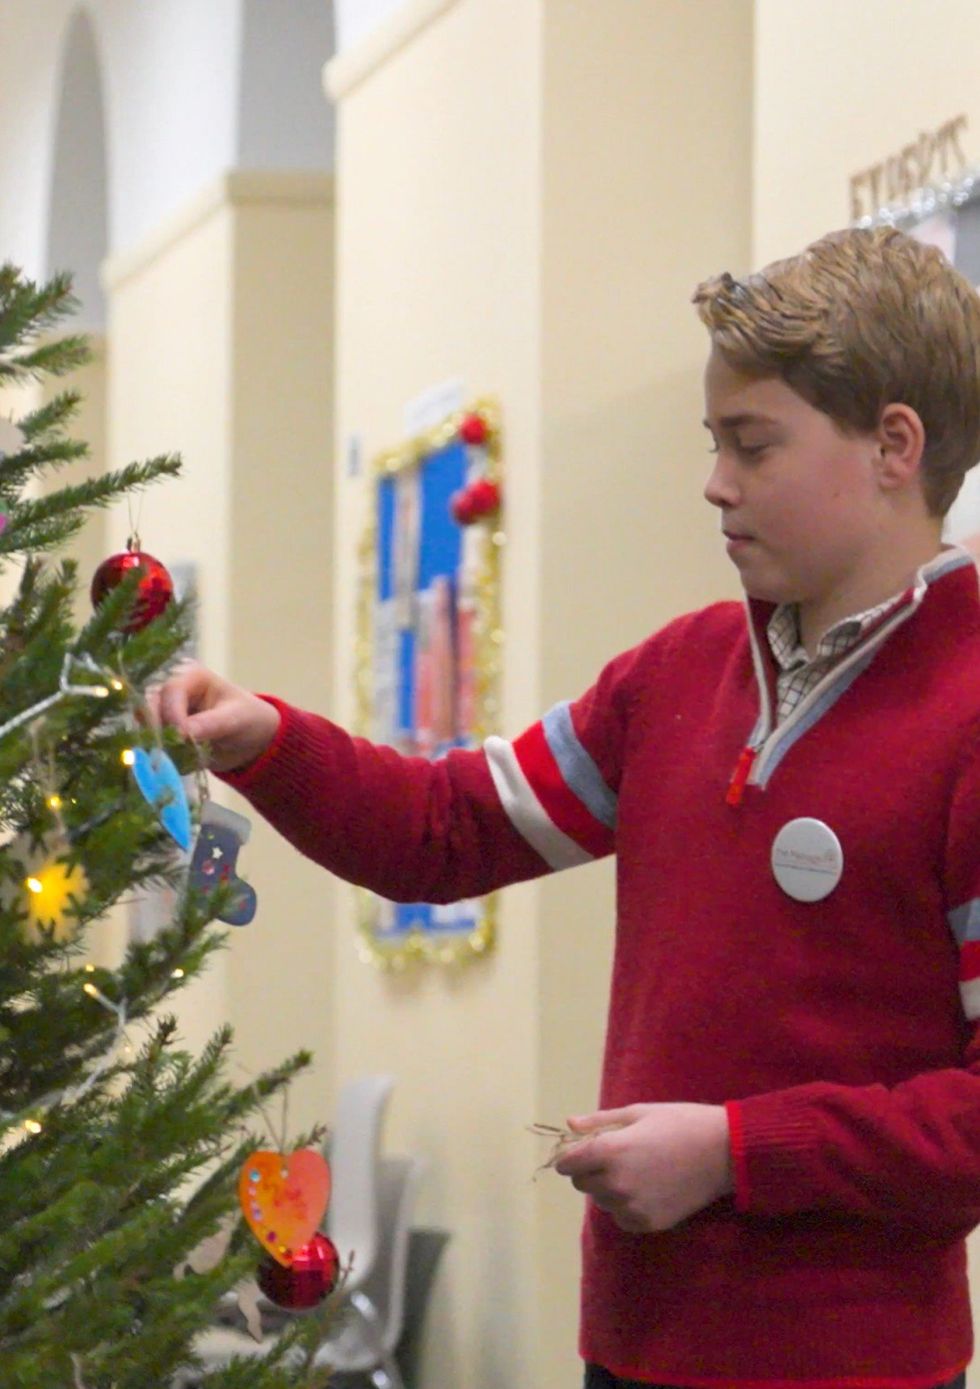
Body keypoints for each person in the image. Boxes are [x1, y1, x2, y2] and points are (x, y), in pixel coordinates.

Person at [154, 226, 980, 1389]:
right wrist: (270, 742)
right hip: (630, 1345)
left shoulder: (965, 712)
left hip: (851, 1365)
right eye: (713, 442)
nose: (714, 483)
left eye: (752, 445)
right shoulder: (675, 674)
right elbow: (443, 830)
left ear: (893, 446)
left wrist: (734, 1152)